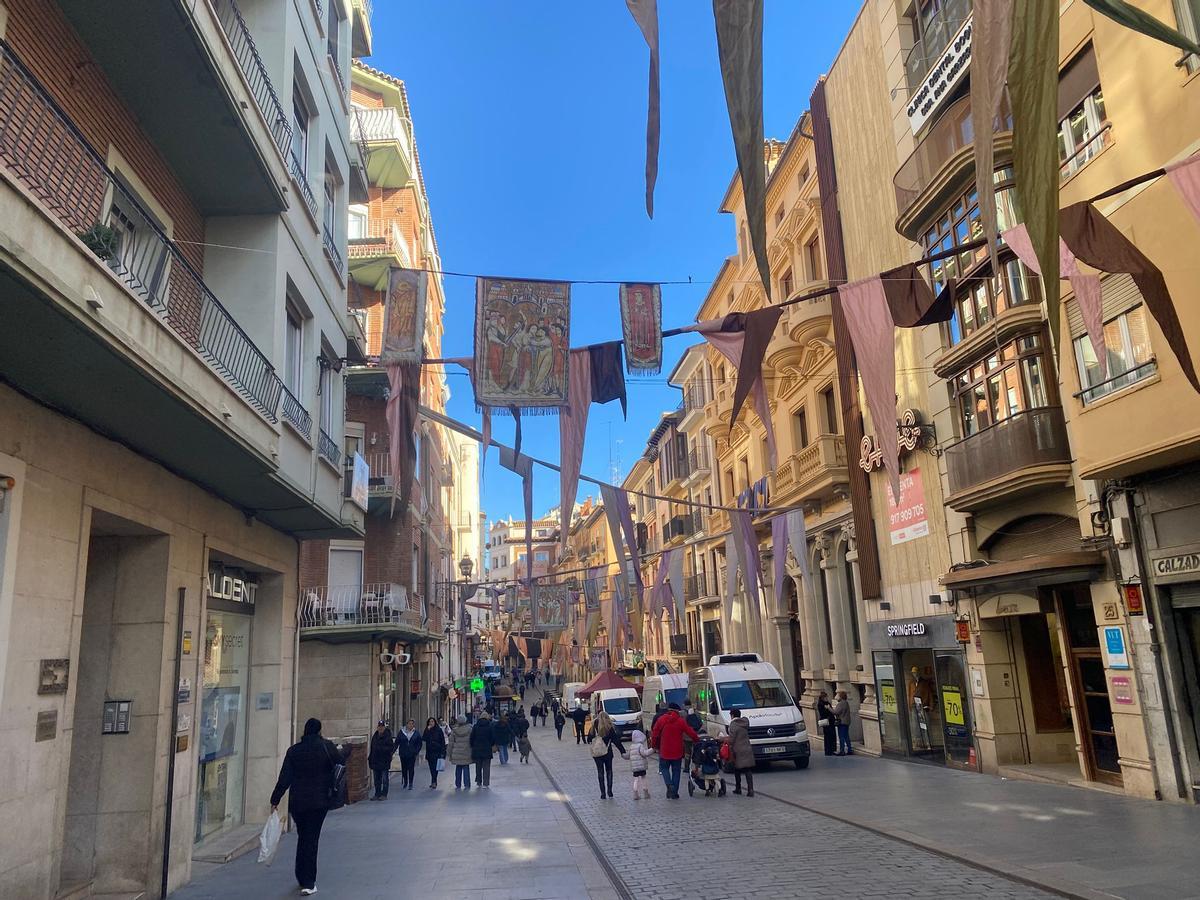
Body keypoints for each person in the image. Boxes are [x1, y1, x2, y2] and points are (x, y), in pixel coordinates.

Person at [270, 718, 348, 896]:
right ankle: (309, 881)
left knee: (303, 836)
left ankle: (301, 875)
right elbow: (341, 761)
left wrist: (275, 799)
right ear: (319, 730)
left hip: (297, 803)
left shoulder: (294, 751)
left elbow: (285, 778)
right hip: (319, 802)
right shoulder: (326, 747)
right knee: (311, 840)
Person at [650, 703, 698, 799]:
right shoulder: (680, 721)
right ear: (677, 711)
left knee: (664, 769)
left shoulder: (661, 720)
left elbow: (654, 734)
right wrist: (697, 739)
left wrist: (654, 746)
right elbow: (690, 731)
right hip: (677, 751)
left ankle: (669, 785)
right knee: (676, 771)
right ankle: (674, 793)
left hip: (664, 750)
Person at [590, 710, 628, 799]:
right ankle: (609, 791)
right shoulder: (609, 727)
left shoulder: (593, 726)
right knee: (609, 771)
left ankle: (602, 793)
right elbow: (616, 740)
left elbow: (589, 738)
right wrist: (622, 751)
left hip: (597, 753)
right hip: (607, 752)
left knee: (600, 772)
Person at [726, 707, 756, 797]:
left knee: (737, 770)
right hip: (747, 748)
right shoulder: (744, 723)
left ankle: (738, 788)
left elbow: (732, 739)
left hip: (737, 750)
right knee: (747, 770)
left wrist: (723, 739)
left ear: (732, 715)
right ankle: (750, 789)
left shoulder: (733, 725)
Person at [367, 720, 394, 801]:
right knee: (376, 779)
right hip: (375, 761)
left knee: (385, 779)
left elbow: (390, 748)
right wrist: (370, 759)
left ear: (384, 727)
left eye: (382, 726)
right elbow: (372, 748)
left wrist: (381, 749)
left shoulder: (388, 736)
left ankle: (384, 794)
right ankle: (377, 793)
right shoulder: (375, 736)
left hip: (384, 761)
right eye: (379, 726)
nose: (380, 728)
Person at [446, 714, 474, 791]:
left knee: (458, 768)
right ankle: (467, 784)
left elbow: (451, 743)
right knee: (466, 768)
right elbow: (473, 740)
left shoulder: (454, 731)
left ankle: (458, 784)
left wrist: (448, 753)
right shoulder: (470, 729)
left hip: (457, 752)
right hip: (467, 751)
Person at [627, 728, 654, 800]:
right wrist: (652, 750)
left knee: (636, 779)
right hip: (641, 766)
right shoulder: (640, 746)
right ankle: (646, 793)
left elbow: (628, 756)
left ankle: (635, 794)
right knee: (643, 778)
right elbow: (644, 753)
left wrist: (623, 755)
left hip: (634, 768)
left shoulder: (631, 746)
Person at [470, 711, 495, 787]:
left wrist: (473, 746)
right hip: (487, 750)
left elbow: (472, 738)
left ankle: (479, 781)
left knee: (478, 766)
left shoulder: (475, 726)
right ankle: (486, 783)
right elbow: (493, 738)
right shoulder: (490, 726)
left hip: (477, 750)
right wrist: (490, 744)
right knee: (486, 767)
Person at [395, 719, 422, 790]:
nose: (410, 725)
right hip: (403, 753)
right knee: (404, 769)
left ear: (413, 725)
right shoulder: (401, 732)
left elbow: (419, 743)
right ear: (406, 724)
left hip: (412, 754)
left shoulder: (416, 733)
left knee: (411, 768)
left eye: (412, 724)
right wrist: (393, 751)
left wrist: (416, 751)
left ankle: (410, 783)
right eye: (409, 724)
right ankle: (405, 781)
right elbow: (397, 742)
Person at [422, 717, 446, 788]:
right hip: (430, 752)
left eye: (432, 721)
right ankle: (434, 781)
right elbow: (424, 738)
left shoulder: (439, 730)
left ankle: (434, 781)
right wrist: (427, 730)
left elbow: (442, 741)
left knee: (436, 768)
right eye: (430, 722)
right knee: (431, 767)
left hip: (437, 751)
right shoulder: (427, 730)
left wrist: (443, 752)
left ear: (435, 722)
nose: (431, 723)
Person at [816, 691, 837, 757]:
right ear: (823, 698)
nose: (827, 698)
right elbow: (822, 713)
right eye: (825, 697)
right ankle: (828, 750)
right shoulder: (821, 704)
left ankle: (832, 749)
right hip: (826, 722)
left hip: (831, 721)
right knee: (827, 736)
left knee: (832, 735)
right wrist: (827, 709)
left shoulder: (827, 703)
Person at [833, 690, 853, 756]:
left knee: (841, 736)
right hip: (846, 722)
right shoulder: (846, 703)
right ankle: (849, 749)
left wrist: (829, 708)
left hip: (841, 722)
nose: (837, 697)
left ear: (841, 697)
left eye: (838, 696)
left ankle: (842, 750)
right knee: (846, 736)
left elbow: (835, 712)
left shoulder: (841, 703)